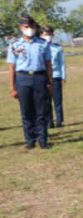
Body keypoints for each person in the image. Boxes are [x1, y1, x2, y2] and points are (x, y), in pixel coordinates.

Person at [7, 15, 53, 150]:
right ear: (21, 28)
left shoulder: (43, 44)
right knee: (26, 111)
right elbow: (12, 67)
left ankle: (43, 140)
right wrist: (12, 87)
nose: (30, 29)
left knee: (41, 111)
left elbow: (48, 64)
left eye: (32, 27)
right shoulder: (15, 45)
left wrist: (50, 81)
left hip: (39, 78)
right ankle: (30, 140)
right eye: (27, 27)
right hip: (23, 79)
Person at [41, 25, 66, 128]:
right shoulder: (40, 47)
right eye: (46, 34)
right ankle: (49, 121)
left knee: (57, 100)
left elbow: (62, 63)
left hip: (56, 76)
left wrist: (63, 77)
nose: (48, 36)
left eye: (50, 34)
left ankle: (59, 121)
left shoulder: (57, 48)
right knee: (46, 100)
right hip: (43, 77)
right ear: (41, 35)